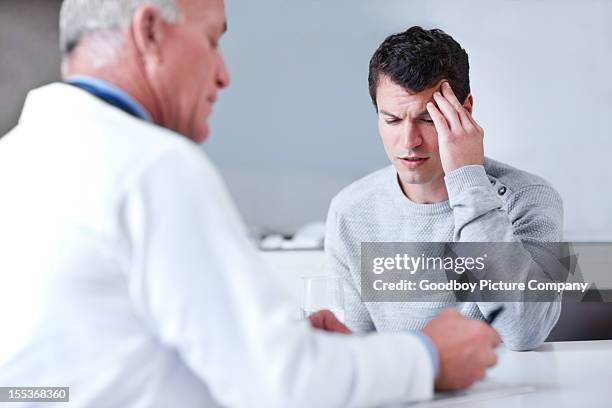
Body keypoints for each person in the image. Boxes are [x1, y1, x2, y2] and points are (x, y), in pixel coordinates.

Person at [0, 3, 500, 406]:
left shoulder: (18, 154)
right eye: (212, 40)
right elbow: (282, 384)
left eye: (428, 118)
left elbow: (88, 368)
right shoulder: (153, 166)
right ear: (149, 32)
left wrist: (273, 345)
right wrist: (428, 358)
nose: (223, 75)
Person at [325, 26, 564, 352]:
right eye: (392, 120)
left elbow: (525, 331)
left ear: (465, 110)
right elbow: (354, 351)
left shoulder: (528, 198)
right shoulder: (351, 211)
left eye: (427, 119)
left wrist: (468, 177)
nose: (408, 142)